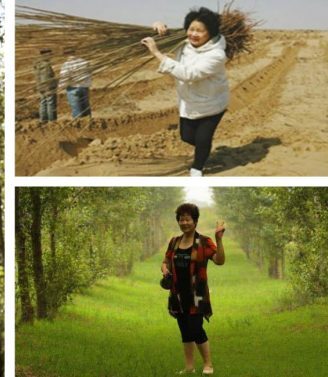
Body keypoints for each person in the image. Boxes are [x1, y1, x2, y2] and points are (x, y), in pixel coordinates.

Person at [141, 7, 229, 177]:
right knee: (187, 137)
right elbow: (157, 35)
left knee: (203, 139)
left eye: (200, 31)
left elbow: (189, 74)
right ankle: (204, 149)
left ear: (210, 33)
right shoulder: (183, 42)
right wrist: (157, 26)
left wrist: (156, 53)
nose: (194, 34)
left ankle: (197, 168)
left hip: (212, 103)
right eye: (191, 29)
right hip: (189, 101)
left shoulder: (217, 55)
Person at [161, 203, 225, 375]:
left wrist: (218, 239)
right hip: (177, 294)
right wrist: (165, 270)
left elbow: (219, 260)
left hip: (197, 295)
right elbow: (165, 261)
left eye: (188, 219)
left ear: (195, 221)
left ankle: (208, 364)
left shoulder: (204, 242)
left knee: (196, 328)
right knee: (185, 330)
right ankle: (189, 367)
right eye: (181, 219)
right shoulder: (174, 242)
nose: (184, 222)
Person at [59, 47, 92, 118]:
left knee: (76, 109)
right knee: (86, 107)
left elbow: (65, 77)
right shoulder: (84, 62)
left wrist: (61, 86)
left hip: (73, 88)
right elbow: (89, 73)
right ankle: (89, 124)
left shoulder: (66, 65)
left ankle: (79, 125)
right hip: (84, 87)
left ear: (65, 54)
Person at [34, 48, 58, 122]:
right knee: (50, 103)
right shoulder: (46, 65)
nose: (51, 56)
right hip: (48, 87)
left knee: (43, 103)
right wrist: (55, 83)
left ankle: (43, 120)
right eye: (50, 55)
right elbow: (48, 77)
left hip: (41, 87)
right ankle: (52, 121)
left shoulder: (38, 65)